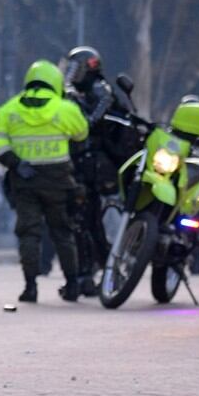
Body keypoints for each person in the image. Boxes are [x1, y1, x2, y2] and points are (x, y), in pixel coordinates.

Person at [0, 60, 89, 303]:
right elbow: (82, 133)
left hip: (25, 180)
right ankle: (72, 285)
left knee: (29, 233)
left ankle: (30, 287)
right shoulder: (64, 109)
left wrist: (16, 164)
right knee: (62, 232)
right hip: (58, 180)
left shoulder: (9, 109)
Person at [63, 46, 134, 296]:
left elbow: (91, 122)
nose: (71, 73)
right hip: (84, 164)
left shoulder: (100, 91)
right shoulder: (82, 93)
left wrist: (74, 104)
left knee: (98, 221)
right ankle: (86, 275)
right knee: (84, 222)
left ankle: (107, 271)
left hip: (99, 166)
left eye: (76, 67)